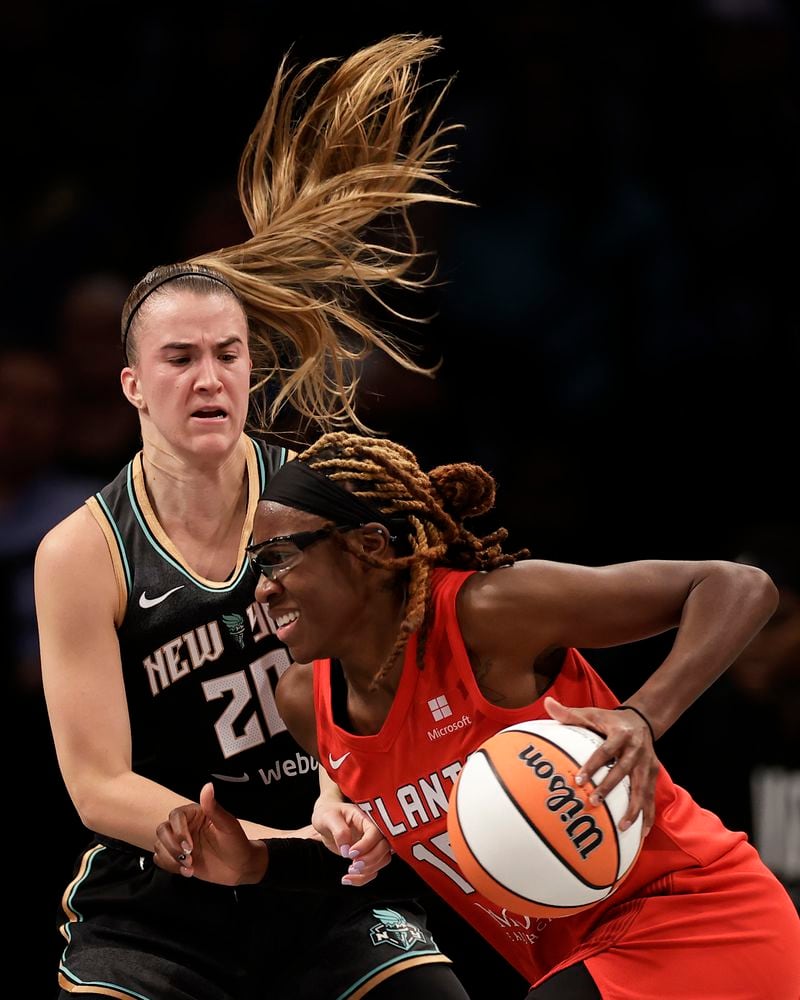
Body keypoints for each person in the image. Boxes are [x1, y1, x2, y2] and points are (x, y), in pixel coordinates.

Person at [34, 35, 501, 1000]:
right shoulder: (82, 550)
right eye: (179, 359)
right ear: (129, 383)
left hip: (323, 879)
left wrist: (342, 800)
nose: (209, 377)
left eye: (229, 354)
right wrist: (200, 831)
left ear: (253, 368)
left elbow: (377, 686)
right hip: (156, 907)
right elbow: (94, 781)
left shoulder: (319, 494)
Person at [153, 431, 800, 999]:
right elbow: (381, 859)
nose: (264, 588)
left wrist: (642, 717)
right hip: (577, 962)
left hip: (695, 919)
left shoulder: (482, 617)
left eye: (280, 557)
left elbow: (740, 587)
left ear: (369, 548)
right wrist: (256, 863)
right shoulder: (304, 702)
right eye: (256, 567)